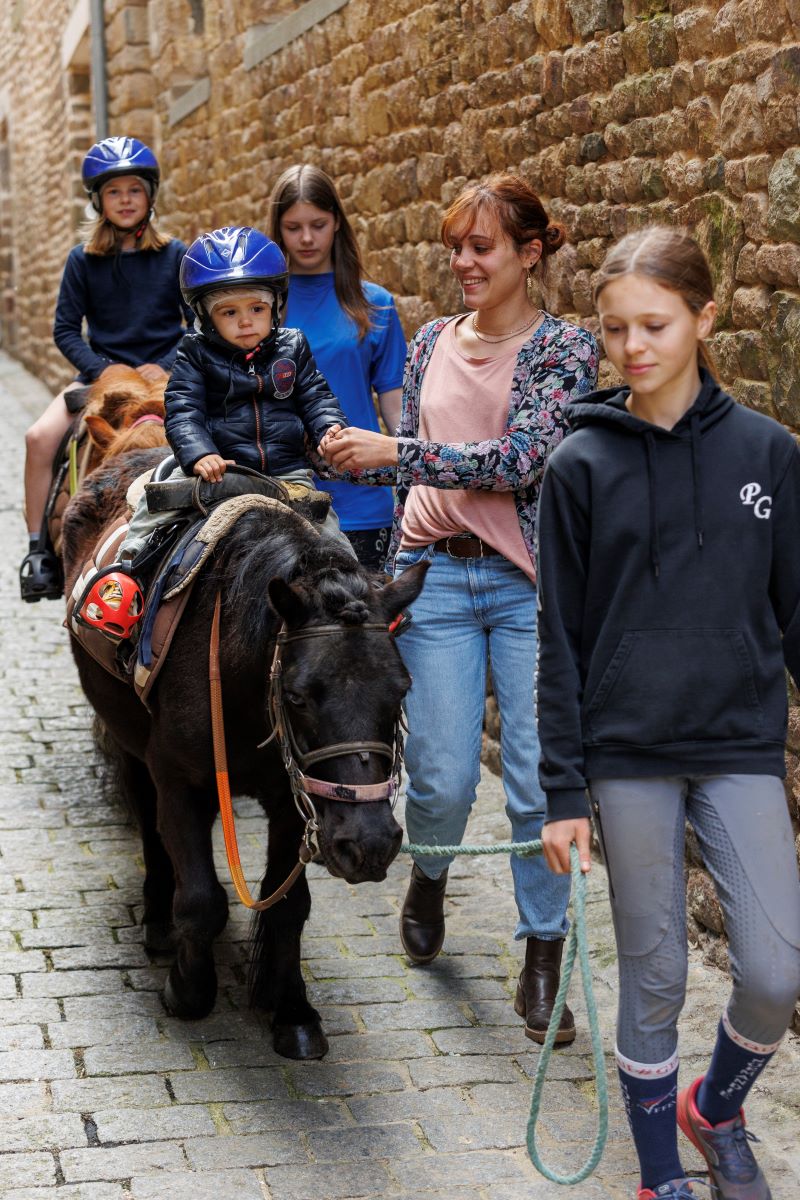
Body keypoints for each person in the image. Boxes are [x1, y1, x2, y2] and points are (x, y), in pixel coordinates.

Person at [536, 226, 800, 1199]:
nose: (632, 347)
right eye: (613, 330)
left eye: (653, 324)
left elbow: (795, 609)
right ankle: (659, 1178)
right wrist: (560, 790)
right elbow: (557, 639)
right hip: (626, 755)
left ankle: (714, 1108)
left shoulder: (766, 454)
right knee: (653, 977)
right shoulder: (577, 467)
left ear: (703, 317)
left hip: (735, 743)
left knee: (774, 968)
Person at [318, 173, 598, 1042]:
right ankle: (430, 874)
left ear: (530, 252)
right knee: (438, 778)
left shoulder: (567, 350)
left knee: (533, 780)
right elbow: (423, 470)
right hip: (434, 579)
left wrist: (392, 450)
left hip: (527, 589)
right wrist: (368, 461)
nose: (463, 262)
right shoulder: (434, 336)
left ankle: (543, 954)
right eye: (457, 247)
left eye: (481, 247)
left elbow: (521, 460)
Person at [102, 225, 354, 607]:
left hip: (286, 473)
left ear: (276, 306)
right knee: (154, 510)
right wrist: (200, 453)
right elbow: (183, 410)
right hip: (221, 470)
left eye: (257, 308)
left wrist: (329, 428)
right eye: (230, 312)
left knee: (333, 536)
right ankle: (124, 577)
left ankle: (358, 600)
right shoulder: (195, 353)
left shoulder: (293, 346)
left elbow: (316, 396)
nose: (246, 321)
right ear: (206, 316)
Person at [20, 136, 189, 601]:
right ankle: (39, 549)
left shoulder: (175, 255)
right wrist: (102, 368)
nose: (126, 200)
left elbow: (196, 326)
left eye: (134, 190)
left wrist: (168, 363)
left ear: (150, 195)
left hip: (163, 375)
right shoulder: (83, 261)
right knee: (38, 438)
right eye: (114, 193)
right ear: (98, 201)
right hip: (101, 377)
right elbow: (66, 331)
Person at [269, 164, 407, 569]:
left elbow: (396, 409)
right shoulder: (259, 308)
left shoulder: (374, 304)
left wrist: (418, 465)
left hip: (363, 502)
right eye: (294, 227)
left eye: (318, 224)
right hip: (279, 497)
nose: (307, 238)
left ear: (337, 224)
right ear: (277, 230)